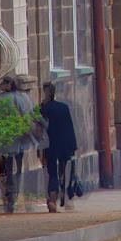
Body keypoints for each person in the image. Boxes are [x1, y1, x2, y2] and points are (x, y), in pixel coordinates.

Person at [0, 75, 37, 213]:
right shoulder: (23, 98)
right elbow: (30, 117)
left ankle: (9, 196)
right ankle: (15, 194)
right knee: (17, 168)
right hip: (19, 140)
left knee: (5, 169)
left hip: (3, 141)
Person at [38, 81, 78, 213]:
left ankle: (53, 199)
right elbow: (69, 127)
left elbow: (39, 130)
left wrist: (39, 150)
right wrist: (73, 146)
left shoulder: (43, 108)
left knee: (52, 172)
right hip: (64, 145)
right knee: (62, 170)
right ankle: (64, 196)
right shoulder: (63, 107)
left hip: (49, 146)